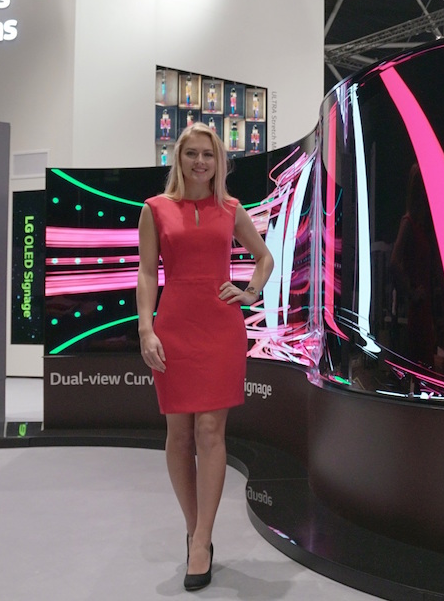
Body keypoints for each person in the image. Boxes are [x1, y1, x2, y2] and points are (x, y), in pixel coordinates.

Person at [136, 122, 273, 591]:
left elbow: (264, 257)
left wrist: (250, 292)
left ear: (219, 163)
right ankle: (194, 529)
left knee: (211, 431)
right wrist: (146, 329)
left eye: (208, 155)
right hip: (173, 327)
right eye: (192, 153)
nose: (200, 162)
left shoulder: (231, 209)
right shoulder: (155, 209)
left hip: (219, 329)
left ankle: (201, 541)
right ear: (178, 158)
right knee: (179, 434)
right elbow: (147, 274)